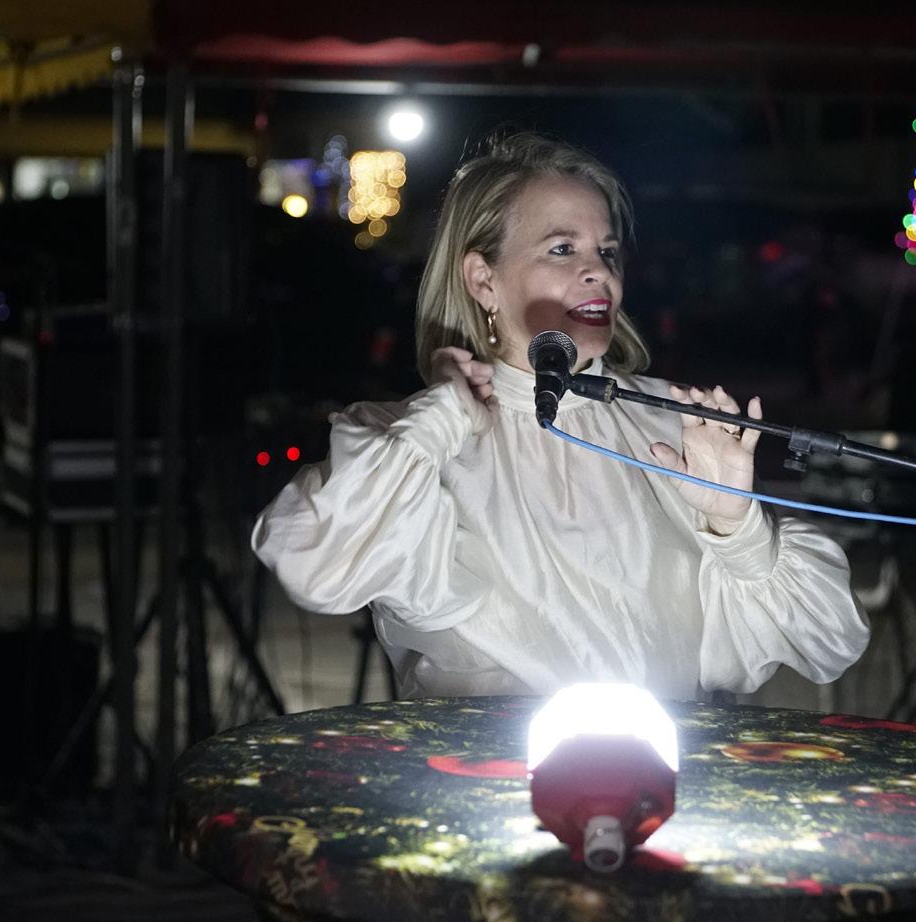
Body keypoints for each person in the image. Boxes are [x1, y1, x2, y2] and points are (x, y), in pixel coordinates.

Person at [252, 132, 870, 701]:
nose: (599, 271)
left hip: (663, 772)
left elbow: (830, 642)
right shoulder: (414, 443)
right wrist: (441, 417)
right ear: (483, 279)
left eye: (607, 250)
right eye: (562, 248)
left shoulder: (673, 424)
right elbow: (313, 565)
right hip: (483, 776)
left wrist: (738, 528)